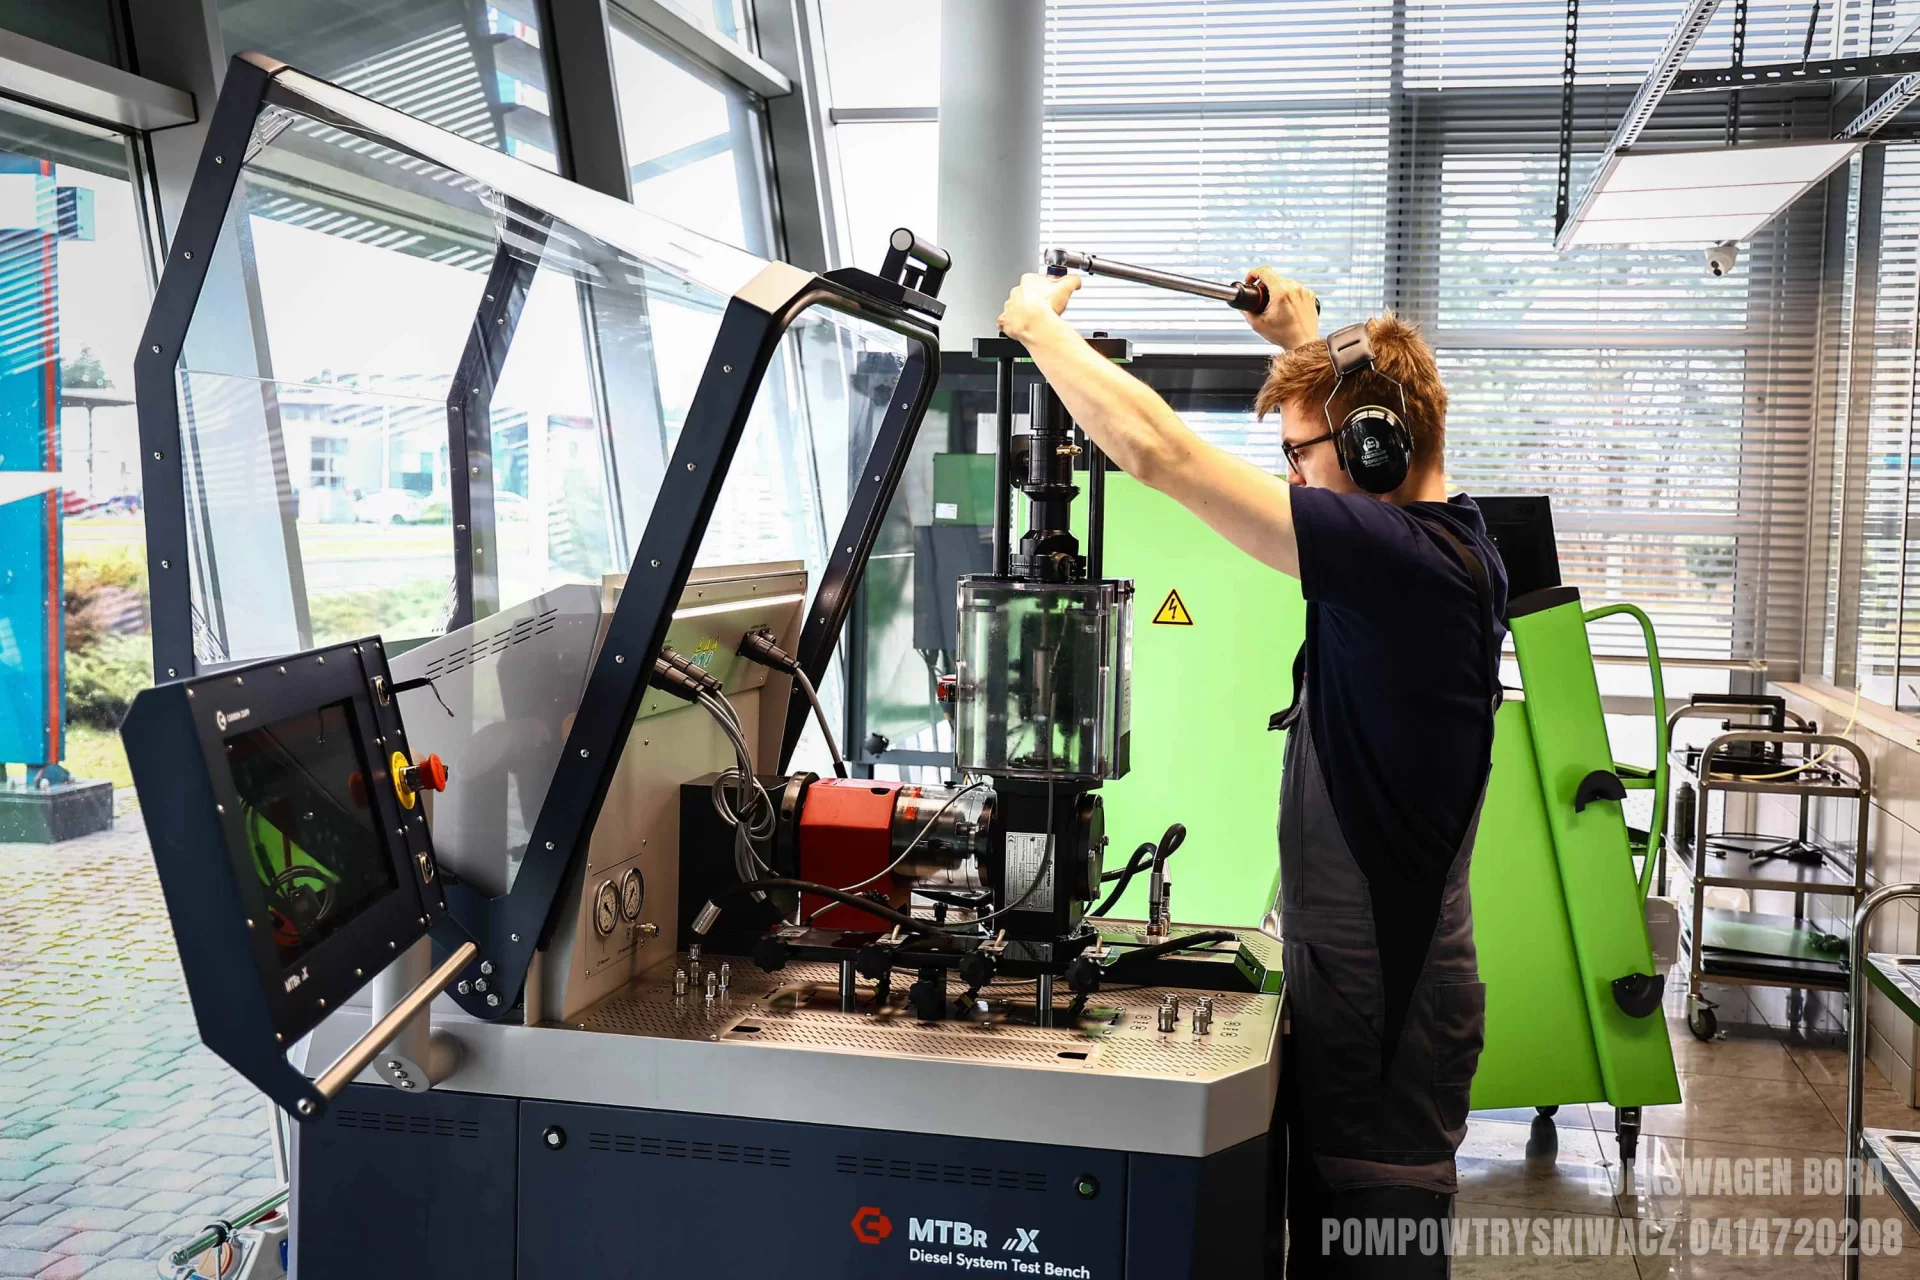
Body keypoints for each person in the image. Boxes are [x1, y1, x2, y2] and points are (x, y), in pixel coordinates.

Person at [997, 269, 1508, 1278]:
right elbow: (1339, 450)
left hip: (1388, 1021)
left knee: (1373, 1259)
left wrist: (1037, 331)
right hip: (1362, 989)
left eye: (1298, 455)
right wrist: (1302, 338)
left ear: (1376, 447)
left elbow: (1157, 452)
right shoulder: (1434, 545)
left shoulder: (1405, 562)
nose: (1293, 481)